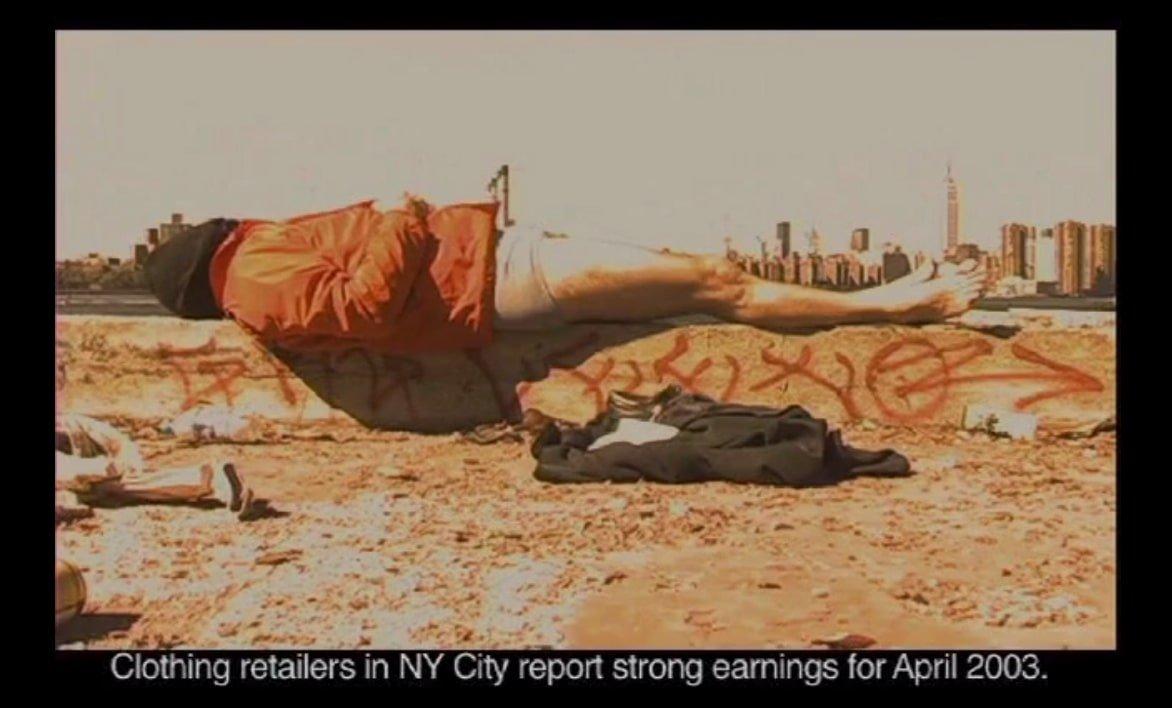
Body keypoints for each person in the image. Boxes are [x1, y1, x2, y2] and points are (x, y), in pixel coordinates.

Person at [145, 196, 984, 356]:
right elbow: (364, 307)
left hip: (495, 264)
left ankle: (888, 301)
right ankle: (896, 305)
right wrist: (406, 217)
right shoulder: (253, 273)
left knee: (701, 286)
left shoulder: (250, 275)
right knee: (711, 278)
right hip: (495, 277)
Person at [55, 413, 256, 521]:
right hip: (84, 446)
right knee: (112, 487)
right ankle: (214, 478)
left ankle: (211, 478)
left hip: (83, 450)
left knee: (107, 484)